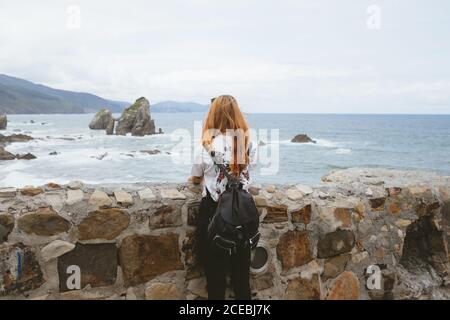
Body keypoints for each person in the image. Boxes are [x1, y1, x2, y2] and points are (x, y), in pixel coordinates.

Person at [189, 95, 256, 300]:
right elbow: (247, 173)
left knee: (216, 280)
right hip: (243, 217)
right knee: (242, 279)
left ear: (213, 115)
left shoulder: (206, 147)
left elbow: (195, 178)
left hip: (214, 216)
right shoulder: (249, 144)